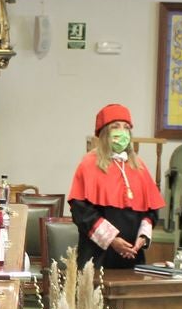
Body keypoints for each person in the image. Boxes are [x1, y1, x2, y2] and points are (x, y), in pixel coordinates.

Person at [67, 103, 165, 270]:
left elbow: (151, 210)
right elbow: (81, 211)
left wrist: (142, 236)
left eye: (126, 127)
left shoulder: (138, 166)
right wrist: (112, 240)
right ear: (105, 132)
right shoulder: (89, 164)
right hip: (98, 256)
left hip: (132, 256)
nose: (122, 131)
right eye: (116, 126)